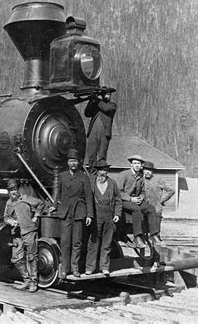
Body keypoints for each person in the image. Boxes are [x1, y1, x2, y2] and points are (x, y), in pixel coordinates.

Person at [56, 149, 93, 278]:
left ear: (79, 163)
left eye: (75, 161)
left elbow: (89, 197)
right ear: (67, 162)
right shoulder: (62, 176)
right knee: (65, 242)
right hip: (65, 212)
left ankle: (75, 268)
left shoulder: (83, 176)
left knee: (77, 242)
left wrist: (89, 215)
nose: (73, 163)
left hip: (79, 211)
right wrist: (55, 206)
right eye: (71, 161)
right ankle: (65, 269)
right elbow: (58, 194)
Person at [3, 179, 45, 292]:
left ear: (18, 190)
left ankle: (33, 282)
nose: (13, 192)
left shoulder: (27, 198)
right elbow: (6, 217)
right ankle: (26, 280)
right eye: (11, 190)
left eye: (15, 189)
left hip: (29, 231)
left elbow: (41, 204)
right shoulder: (9, 203)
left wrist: (36, 216)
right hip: (17, 233)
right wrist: (11, 222)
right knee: (16, 258)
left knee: (32, 256)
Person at [85, 160, 122, 275]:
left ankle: (104, 267)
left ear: (107, 171)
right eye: (100, 170)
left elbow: (118, 199)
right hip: (96, 215)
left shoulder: (112, 183)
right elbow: (87, 199)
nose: (102, 173)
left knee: (107, 242)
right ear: (97, 171)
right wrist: (89, 215)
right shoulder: (91, 182)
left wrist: (117, 214)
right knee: (93, 241)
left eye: (105, 170)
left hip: (108, 215)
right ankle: (90, 267)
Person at [117, 155, 161, 248]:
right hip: (124, 200)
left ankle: (153, 234)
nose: (137, 165)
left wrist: (141, 197)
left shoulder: (141, 176)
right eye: (135, 163)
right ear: (131, 164)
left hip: (136, 200)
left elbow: (143, 191)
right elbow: (118, 192)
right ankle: (137, 237)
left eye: (139, 163)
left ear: (141, 165)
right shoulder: (124, 174)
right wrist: (131, 199)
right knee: (136, 209)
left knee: (151, 208)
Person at [84, 91, 117, 173]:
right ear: (102, 95)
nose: (107, 96)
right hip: (93, 132)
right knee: (91, 154)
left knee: (102, 155)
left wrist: (97, 100)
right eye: (106, 94)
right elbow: (87, 113)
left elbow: (106, 109)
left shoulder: (112, 105)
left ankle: (101, 172)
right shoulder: (97, 104)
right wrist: (91, 101)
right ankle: (92, 173)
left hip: (104, 133)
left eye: (109, 94)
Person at [143, 161, 175, 236]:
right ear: (143, 170)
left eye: (150, 170)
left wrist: (161, 200)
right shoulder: (140, 180)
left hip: (155, 208)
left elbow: (171, 190)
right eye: (146, 170)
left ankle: (155, 239)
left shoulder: (158, 180)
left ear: (152, 171)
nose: (148, 172)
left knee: (155, 232)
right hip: (143, 208)